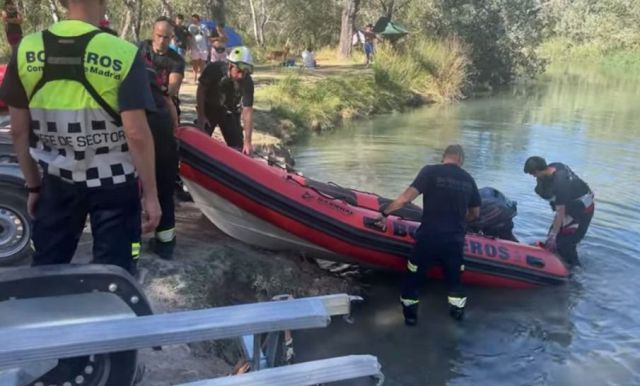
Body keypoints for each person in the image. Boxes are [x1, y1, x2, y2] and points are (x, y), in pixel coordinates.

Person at [0, 0, 161, 275]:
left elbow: (18, 131)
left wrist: (34, 186)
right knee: (114, 273)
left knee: (46, 268)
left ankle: (46, 312)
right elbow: (136, 133)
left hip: (57, 179)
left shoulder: (26, 49)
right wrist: (151, 194)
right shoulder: (122, 52)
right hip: (115, 182)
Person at [375, 145, 481, 325]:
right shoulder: (468, 179)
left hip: (429, 236)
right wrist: (457, 219)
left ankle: (410, 318)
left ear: (443, 157)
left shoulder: (430, 172)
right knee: (455, 280)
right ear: (461, 160)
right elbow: (475, 214)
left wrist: (385, 213)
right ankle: (457, 316)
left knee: (414, 277)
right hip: (454, 240)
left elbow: (405, 199)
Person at [139, 16, 186, 259]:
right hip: (141, 119)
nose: (162, 40)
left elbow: (172, 90)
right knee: (135, 187)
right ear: (152, 32)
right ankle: (133, 243)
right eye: (159, 35)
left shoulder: (176, 60)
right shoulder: (138, 49)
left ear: (172, 37)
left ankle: (165, 245)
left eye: (167, 37)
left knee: (164, 185)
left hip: (161, 122)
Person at [523, 156, 594, 267]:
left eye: (534, 174)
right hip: (572, 204)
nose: (534, 177)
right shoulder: (555, 166)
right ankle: (555, 264)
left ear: (537, 171)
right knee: (554, 240)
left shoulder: (561, 185)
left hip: (583, 210)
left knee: (566, 244)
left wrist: (553, 235)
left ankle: (576, 273)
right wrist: (553, 234)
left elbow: (560, 212)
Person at [196, 46, 254, 155]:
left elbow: (247, 110)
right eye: (239, 71)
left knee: (239, 147)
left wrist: (248, 141)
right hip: (209, 109)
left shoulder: (247, 81)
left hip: (229, 112)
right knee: (200, 140)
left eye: (245, 72)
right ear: (230, 65)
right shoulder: (214, 69)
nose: (241, 76)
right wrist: (201, 116)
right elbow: (201, 90)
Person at [188, 14, 209, 82]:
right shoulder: (190, 27)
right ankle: (194, 79)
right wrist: (189, 46)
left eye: (195, 19)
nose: (193, 20)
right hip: (195, 47)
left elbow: (208, 35)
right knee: (195, 65)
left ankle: (201, 80)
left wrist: (209, 46)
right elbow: (189, 37)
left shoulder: (203, 26)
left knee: (202, 65)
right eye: (192, 19)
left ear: (198, 19)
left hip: (203, 47)